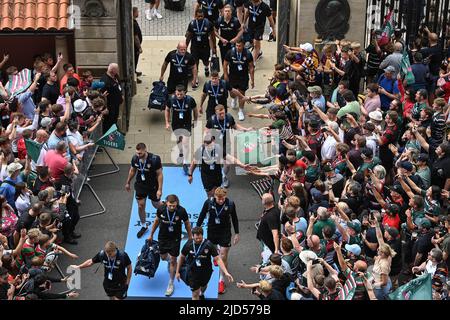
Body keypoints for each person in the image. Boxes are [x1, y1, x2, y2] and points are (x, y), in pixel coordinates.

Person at [148, 194, 193, 297]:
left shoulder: (181, 211)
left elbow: (187, 224)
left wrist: (190, 237)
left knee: (173, 260)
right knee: (163, 257)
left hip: (175, 239)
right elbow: (156, 221)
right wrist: (151, 234)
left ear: (177, 203)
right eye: (170, 206)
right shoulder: (161, 209)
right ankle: (170, 261)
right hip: (163, 237)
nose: (172, 207)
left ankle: (171, 283)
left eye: (174, 206)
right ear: (166, 203)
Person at [196, 187, 239, 294]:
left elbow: (234, 218)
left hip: (225, 232)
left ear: (225, 196)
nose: (221, 201)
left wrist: (237, 233)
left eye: (223, 198)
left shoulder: (230, 204)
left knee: (223, 256)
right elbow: (201, 215)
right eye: (218, 199)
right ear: (214, 196)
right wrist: (196, 229)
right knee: (214, 251)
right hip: (212, 230)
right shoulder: (209, 203)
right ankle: (216, 257)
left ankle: (221, 281)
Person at [176, 226, 233, 300]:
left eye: (199, 235)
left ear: (202, 235)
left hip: (206, 271)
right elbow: (181, 257)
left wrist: (226, 272)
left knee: (204, 286)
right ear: (193, 236)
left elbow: (218, 259)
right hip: (193, 272)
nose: (198, 238)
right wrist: (177, 271)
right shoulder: (188, 244)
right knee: (195, 294)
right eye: (196, 236)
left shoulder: (209, 245)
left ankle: (202, 293)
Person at [187, 134, 249, 198]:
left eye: (210, 145)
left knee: (217, 192)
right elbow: (194, 162)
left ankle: (216, 203)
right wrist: (190, 175)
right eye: (207, 146)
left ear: (213, 141)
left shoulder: (218, 148)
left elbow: (230, 158)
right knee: (210, 194)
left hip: (217, 174)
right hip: (206, 176)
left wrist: (242, 165)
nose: (208, 147)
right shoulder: (200, 150)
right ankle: (211, 204)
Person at [205, 104, 252, 187]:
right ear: (216, 113)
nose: (222, 115)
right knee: (215, 163)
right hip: (215, 144)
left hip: (226, 143)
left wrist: (245, 129)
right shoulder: (211, 120)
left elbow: (235, 126)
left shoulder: (229, 117)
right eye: (220, 114)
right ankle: (215, 175)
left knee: (228, 163)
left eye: (223, 113)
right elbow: (206, 131)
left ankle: (223, 176)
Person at [125, 143, 163, 238]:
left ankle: (166, 209)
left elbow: (159, 174)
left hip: (153, 186)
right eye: (137, 153)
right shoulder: (135, 158)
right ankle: (143, 225)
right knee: (141, 206)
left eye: (140, 153)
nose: (138, 155)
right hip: (140, 185)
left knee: (157, 205)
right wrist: (128, 182)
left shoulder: (155, 159)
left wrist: (159, 189)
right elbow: (132, 170)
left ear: (145, 150)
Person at [165, 85, 198, 174]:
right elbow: (167, 110)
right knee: (179, 141)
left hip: (186, 124)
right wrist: (167, 122)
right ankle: (181, 152)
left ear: (184, 93)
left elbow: (195, 110)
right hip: (176, 124)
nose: (179, 96)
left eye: (181, 94)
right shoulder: (171, 100)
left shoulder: (190, 100)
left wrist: (195, 120)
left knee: (185, 143)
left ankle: (185, 162)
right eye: (177, 94)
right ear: (175, 93)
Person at [223, 39, 255, 120]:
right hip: (232, 76)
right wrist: (226, 75)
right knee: (232, 93)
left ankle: (240, 111)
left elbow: (251, 67)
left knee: (242, 94)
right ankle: (234, 99)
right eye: (236, 45)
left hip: (243, 77)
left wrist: (252, 80)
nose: (238, 47)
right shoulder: (230, 52)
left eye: (239, 45)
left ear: (243, 45)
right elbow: (225, 64)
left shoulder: (247, 54)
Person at [186, 9, 216, 89]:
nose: (200, 18)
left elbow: (212, 36)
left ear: (204, 16)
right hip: (195, 47)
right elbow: (189, 36)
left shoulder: (208, 24)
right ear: (196, 16)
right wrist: (185, 46)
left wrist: (214, 48)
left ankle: (206, 68)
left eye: (201, 16)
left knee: (206, 61)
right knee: (195, 63)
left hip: (205, 47)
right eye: (198, 16)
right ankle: (196, 79)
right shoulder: (192, 24)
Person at [256, 193, 281, 262]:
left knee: (267, 256)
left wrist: (276, 250)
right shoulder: (273, 207)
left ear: (264, 202)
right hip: (265, 238)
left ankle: (266, 261)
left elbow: (275, 234)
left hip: (268, 242)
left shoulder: (271, 216)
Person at [100, 63, 123, 134]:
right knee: (110, 121)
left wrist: (121, 94)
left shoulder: (115, 76)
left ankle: (115, 131)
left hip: (116, 103)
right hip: (110, 105)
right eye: (117, 69)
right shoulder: (105, 81)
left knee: (115, 119)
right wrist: (105, 107)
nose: (118, 70)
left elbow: (119, 84)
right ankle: (109, 135)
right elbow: (102, 95)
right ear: (112, 70)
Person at [133, 7, 143, 84]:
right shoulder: (133, 23)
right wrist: (139, 47)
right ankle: (134, 76)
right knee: (134, 61)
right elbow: (136, 37)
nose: (138, 13)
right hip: (135, 47)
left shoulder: (133, 21)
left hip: (135, 47)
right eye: (137, 12)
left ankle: (135, 72)